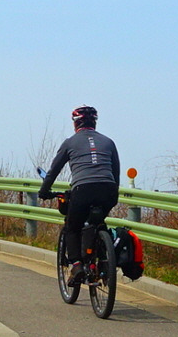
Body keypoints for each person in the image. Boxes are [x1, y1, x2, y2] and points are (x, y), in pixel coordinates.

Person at [38, 105, 122, 271]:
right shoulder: (108, 142)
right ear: (94, 123)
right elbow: (116, 172)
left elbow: (53, 171)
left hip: (83, 190)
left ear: (76, 123)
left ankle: (76, 264)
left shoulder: (69, 143)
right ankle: (102, 260)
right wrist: (114, 192)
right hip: (108, 190)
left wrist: (44, 191)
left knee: (73, 226)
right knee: (98, 222)